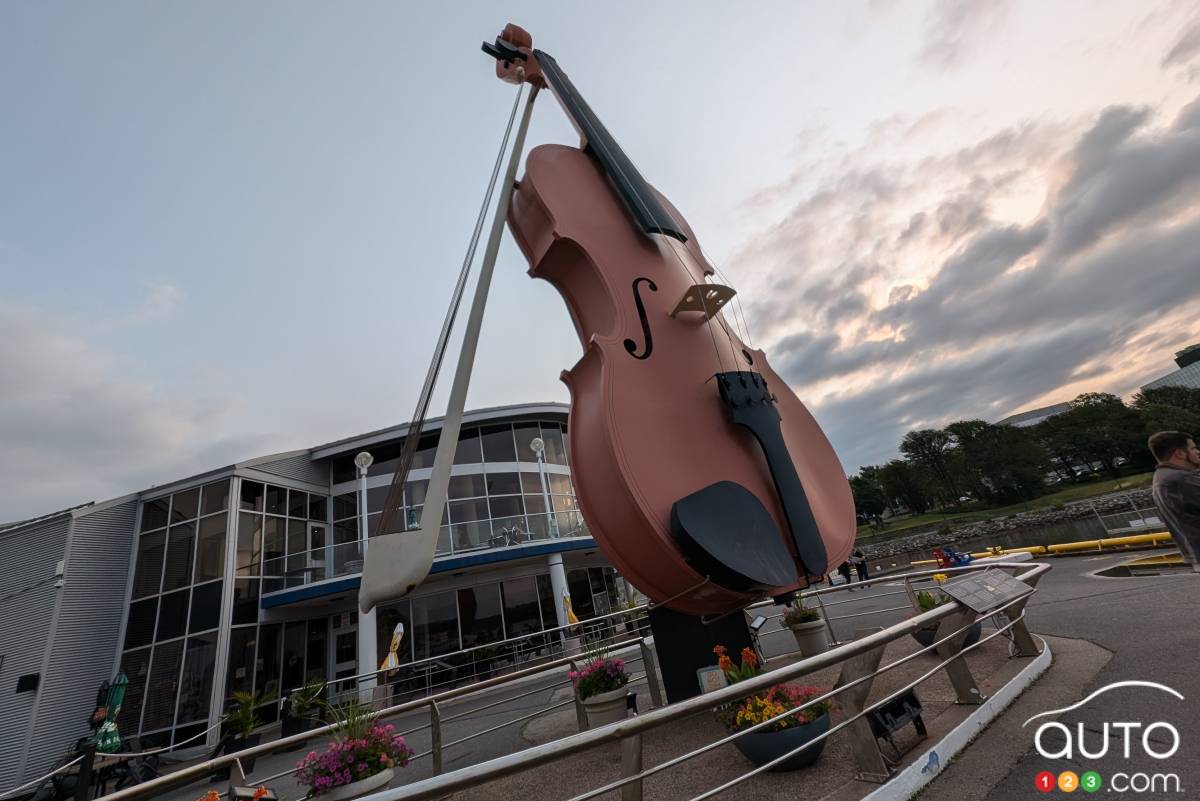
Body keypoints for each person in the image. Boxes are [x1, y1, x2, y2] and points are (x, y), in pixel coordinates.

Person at [1148, 430, 1200, 572]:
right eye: (1193, 448)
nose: (1198, 452)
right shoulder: (1180, 479)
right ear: (1179, 454)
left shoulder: (1161, 478)